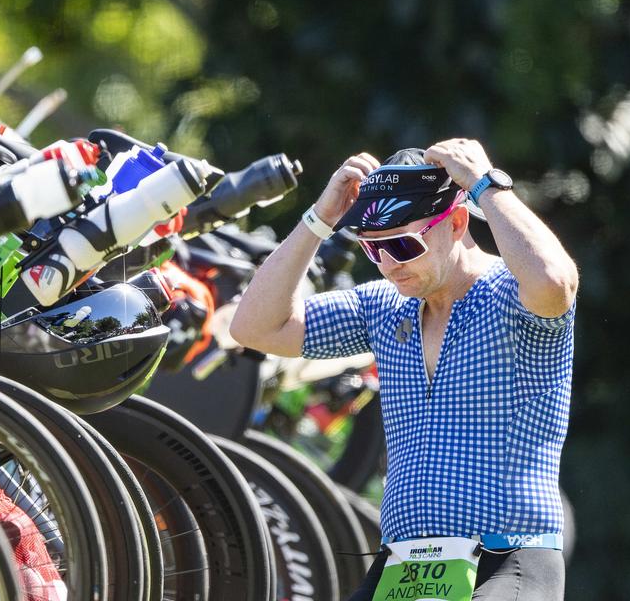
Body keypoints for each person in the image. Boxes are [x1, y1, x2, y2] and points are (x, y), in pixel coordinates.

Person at [230, 139, 577, 600]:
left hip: (505, 562)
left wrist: (485, 184)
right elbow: (255, 326)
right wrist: (320, 220)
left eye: (403, 244)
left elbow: (555, 282)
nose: (390, 265)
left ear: (455, 223)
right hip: (403, 569)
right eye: (374, 251)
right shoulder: (383, 306)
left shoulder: (512, 295)